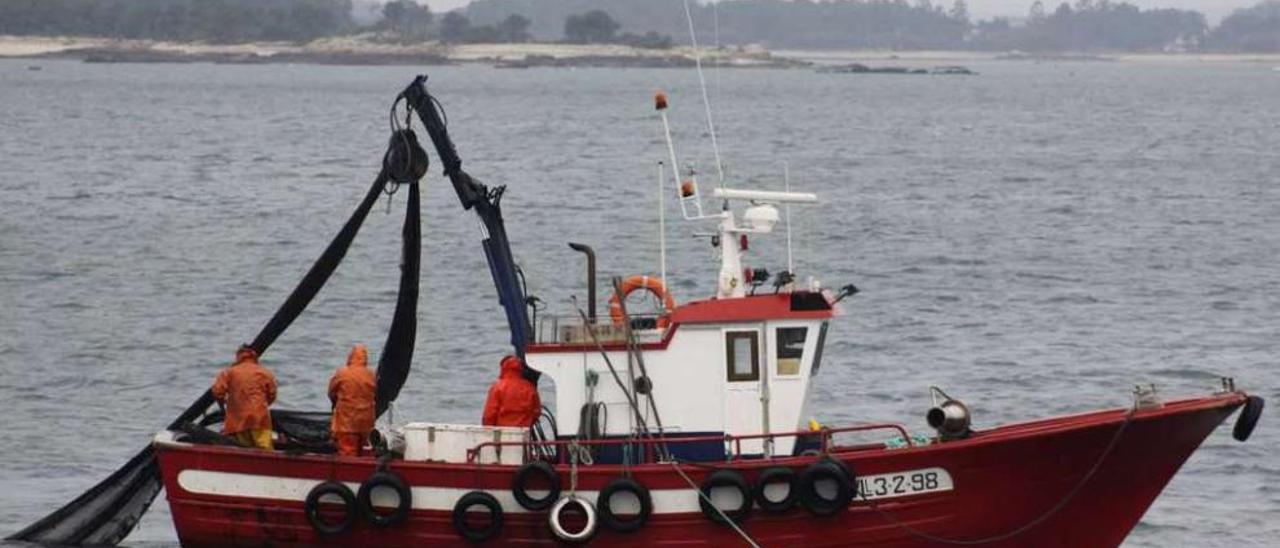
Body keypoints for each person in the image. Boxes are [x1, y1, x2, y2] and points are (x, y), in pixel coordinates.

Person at [212, 345, 277, 450]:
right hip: (259, 418)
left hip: (237, 419)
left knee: (243, 449)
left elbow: (217, 392)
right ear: (254, 356)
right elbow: (272, 394)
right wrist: (262, 405)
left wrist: (223, 404)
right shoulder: (264, 372)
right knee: (265, 449)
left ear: (238, 356)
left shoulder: (229, 372)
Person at [328, 344, 376, 457]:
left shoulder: (342, 373)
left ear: (350, 357)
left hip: (347, 421)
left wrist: (335, 401)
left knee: (348, 451)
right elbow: (374, 394)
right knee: (363, 451)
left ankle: (348, 473)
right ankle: (363, 472)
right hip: (366, 422)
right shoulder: (371, 375)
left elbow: (331, 392)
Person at [482, 355, 541, 428]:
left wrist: (488, 431)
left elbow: (489, 415)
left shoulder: (497, 387)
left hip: (501, 433)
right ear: (520, 369)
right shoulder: (530, 388)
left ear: (503, 368)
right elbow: (536, 412)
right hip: (523, 432)